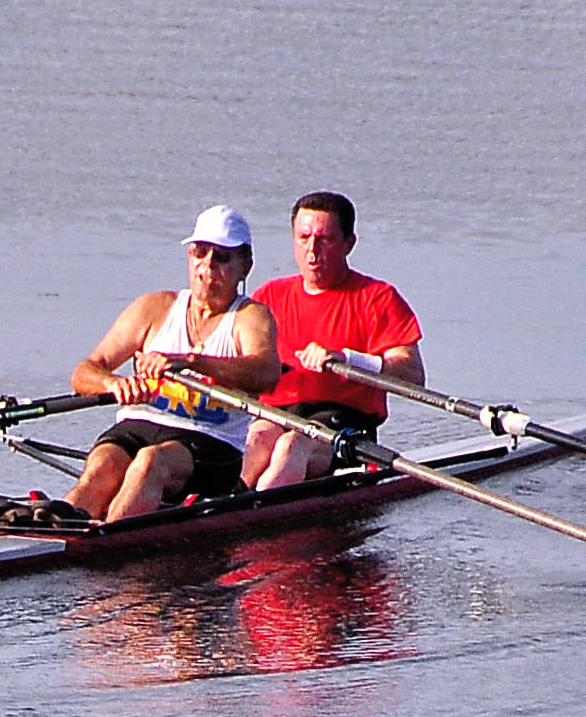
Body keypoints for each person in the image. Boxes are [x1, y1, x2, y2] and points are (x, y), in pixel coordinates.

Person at [55, 206, 284, 523]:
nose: (208, 266)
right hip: (138, 423)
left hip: (211, 441)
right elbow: (85, 371)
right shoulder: (154, 308)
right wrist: (113, 383)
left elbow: (267, 374)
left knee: (149, 463)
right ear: (189, 256)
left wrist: (191, 362)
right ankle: (64, 521)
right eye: (200, 253)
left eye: (221, 257)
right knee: (103, 466)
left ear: (245, 266)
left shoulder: (250, 317)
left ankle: (105, 540)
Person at [243, 192, 426, 488]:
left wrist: (348, 358)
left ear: (348, 244)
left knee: (292, 446)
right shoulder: (268, 296)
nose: (312, 250)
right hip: (277, 414)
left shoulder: (377, 298)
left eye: (324, 239)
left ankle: (257, 514)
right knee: (256, 439)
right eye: (303, 238)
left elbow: (413, 374)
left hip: (344, 423)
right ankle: (226, 507)